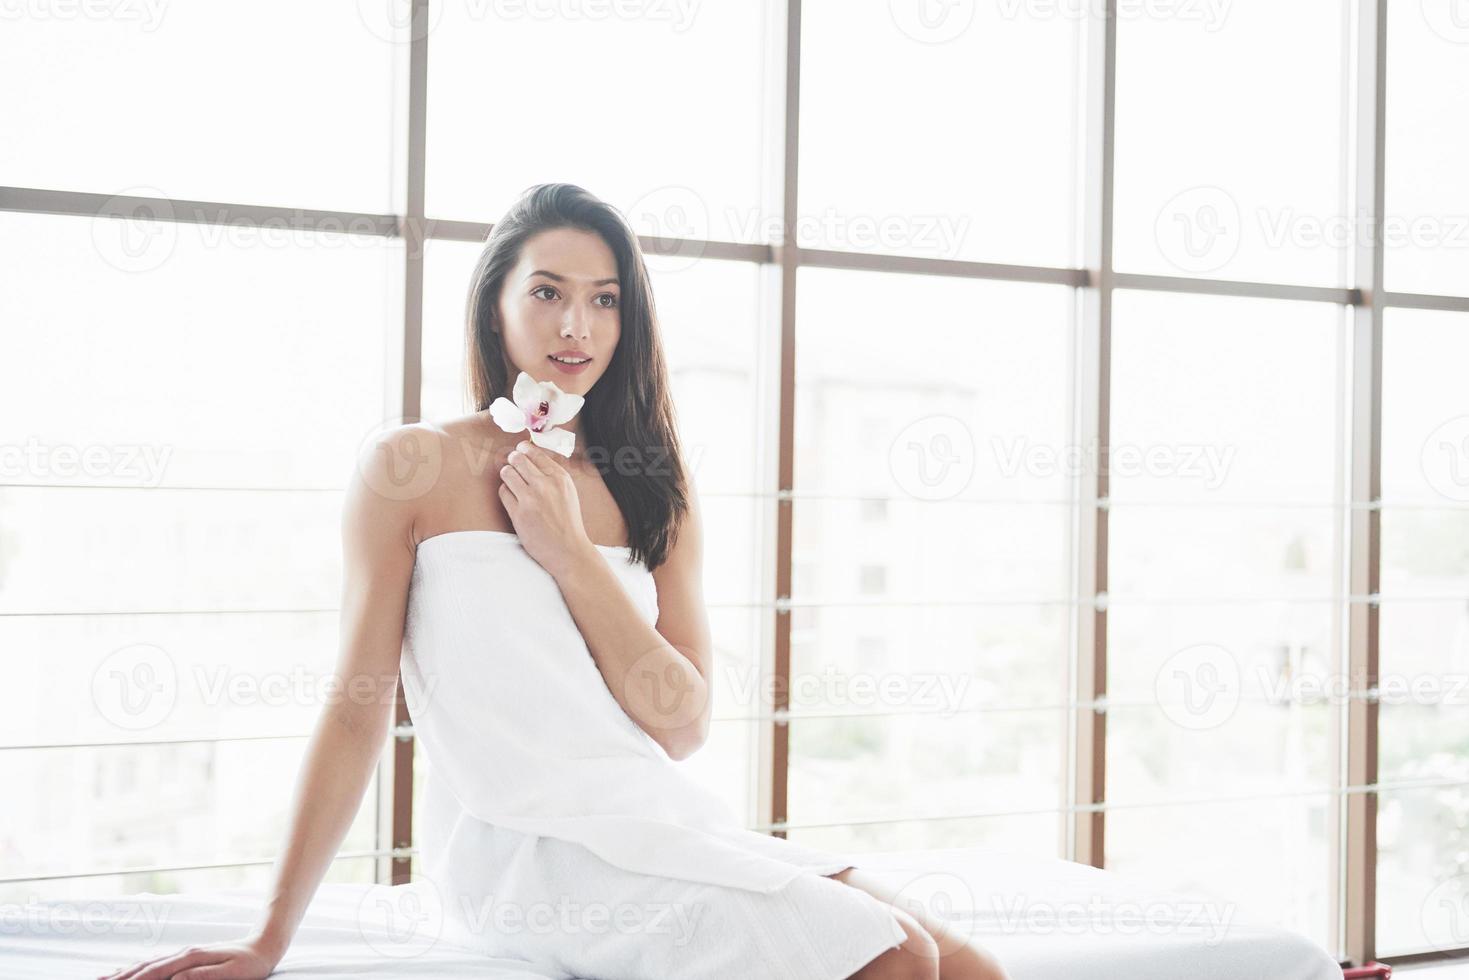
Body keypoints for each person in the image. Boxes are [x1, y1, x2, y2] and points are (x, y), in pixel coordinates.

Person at [99, 183, 1009, 980]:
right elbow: (356, 706)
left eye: (604, 300)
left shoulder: (654, 482)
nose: (576, 325)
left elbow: (682, 724)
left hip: (655, 818)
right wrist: (269, 937)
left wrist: (571, 556)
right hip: (525, 849)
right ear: (494, 302)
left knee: (967, 967)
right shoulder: (411, 463)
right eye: (547, 292)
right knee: (896, 959)